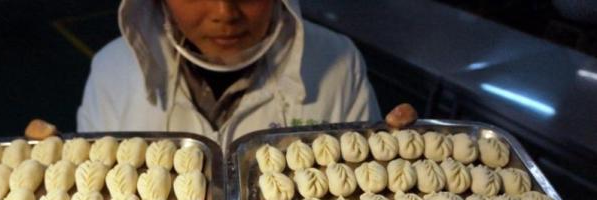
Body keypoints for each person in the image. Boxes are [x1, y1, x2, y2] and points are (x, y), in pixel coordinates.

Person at [76, 0, 414, 149]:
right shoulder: (112, 72)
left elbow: (360, 182)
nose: (225, 13)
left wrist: (396, 156)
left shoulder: (336, 62)